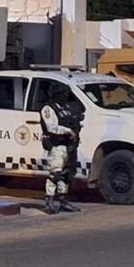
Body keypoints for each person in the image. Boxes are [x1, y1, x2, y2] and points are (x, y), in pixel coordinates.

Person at [39, 83, 82, 214]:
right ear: (57, 95)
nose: (66, 97)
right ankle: (49, 202)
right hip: (55, 145)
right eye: (64, 94)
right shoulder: (48, 109)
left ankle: (63, 201)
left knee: (65, 175)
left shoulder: (66, 108)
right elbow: (51, 127)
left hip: (68, 146)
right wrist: (68, 131)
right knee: (55, 174)